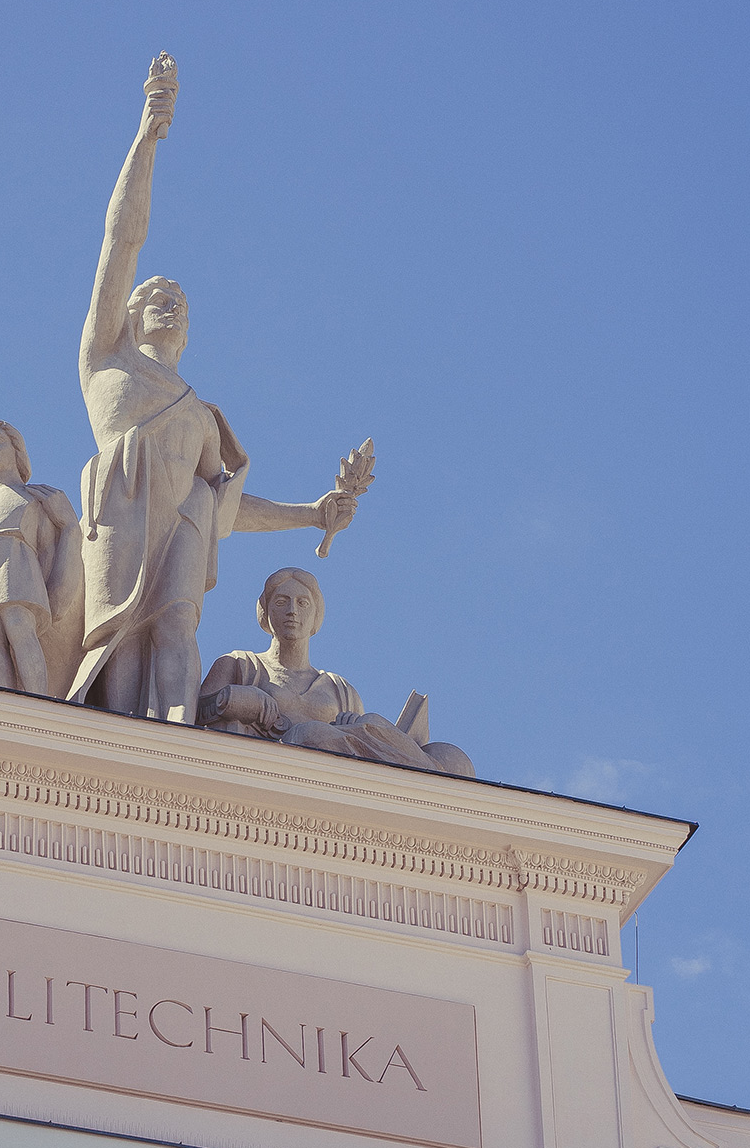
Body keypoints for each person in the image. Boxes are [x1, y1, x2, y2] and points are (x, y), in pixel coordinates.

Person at [72, 52, 366, 721]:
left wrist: (312, 515)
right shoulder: (106, 363)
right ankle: (119, 745)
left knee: (175, 629)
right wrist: (147, 140)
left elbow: (230, 506)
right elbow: (122, 239)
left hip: (181, 523)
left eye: (179, 300)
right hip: (120, 513)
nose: (169, 304)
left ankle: (175, 732)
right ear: (130, 315)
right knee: (118, 634)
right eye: (156, 298)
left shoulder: (203, 418)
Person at [196, 566, 474, 777]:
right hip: (274, 769)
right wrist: (236, 699)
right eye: (281, 602)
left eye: (302, 603)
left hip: (334, 778)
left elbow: (359, 738)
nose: (292, 611)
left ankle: (427, 768)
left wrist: (353, 722)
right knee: (308, 734)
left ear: (315, 616)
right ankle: (429, 770)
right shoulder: (240, 664)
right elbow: (193, 712)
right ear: (265, 612)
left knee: (379, 724)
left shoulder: (339, 688)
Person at [0, 420, 82, 696]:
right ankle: (2, 701)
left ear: (16, 450)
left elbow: (51, 548)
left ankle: (36, 697)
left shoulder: (36, 498)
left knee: (17, 623)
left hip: (18, 572)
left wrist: (69, 527)